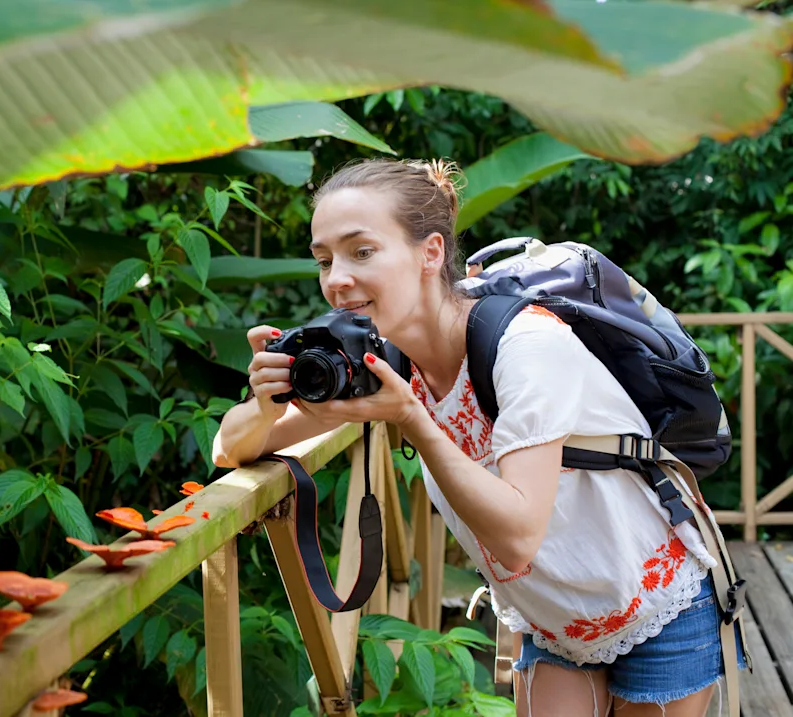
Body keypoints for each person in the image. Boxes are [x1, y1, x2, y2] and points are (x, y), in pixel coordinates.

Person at [212, 158, 744, 717]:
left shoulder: (526, 344)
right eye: (324, 260)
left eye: (361, 251)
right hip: (556, 619)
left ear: (431, 253)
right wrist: (265, 405)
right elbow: (230, 450)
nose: (336, 278)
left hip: (656, 602)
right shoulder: (385, 360)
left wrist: (413, 419)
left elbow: (516, 536)